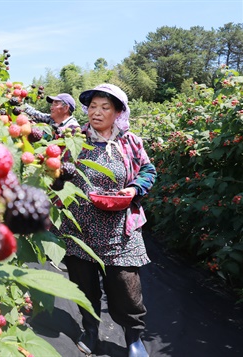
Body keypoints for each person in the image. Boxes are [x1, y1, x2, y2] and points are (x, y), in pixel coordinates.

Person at [55, 84, 156, 357]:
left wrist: (133, 189)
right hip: (80, 227)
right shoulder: (73, 138)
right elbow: (55, 172)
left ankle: (134, 338)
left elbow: (148, 169)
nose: (96, 113)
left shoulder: (130, 141)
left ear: (118, 112)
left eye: (105, 107)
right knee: (83, 284)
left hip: (119, 230)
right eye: (92, 107)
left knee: (126, 287)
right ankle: (90, 328)